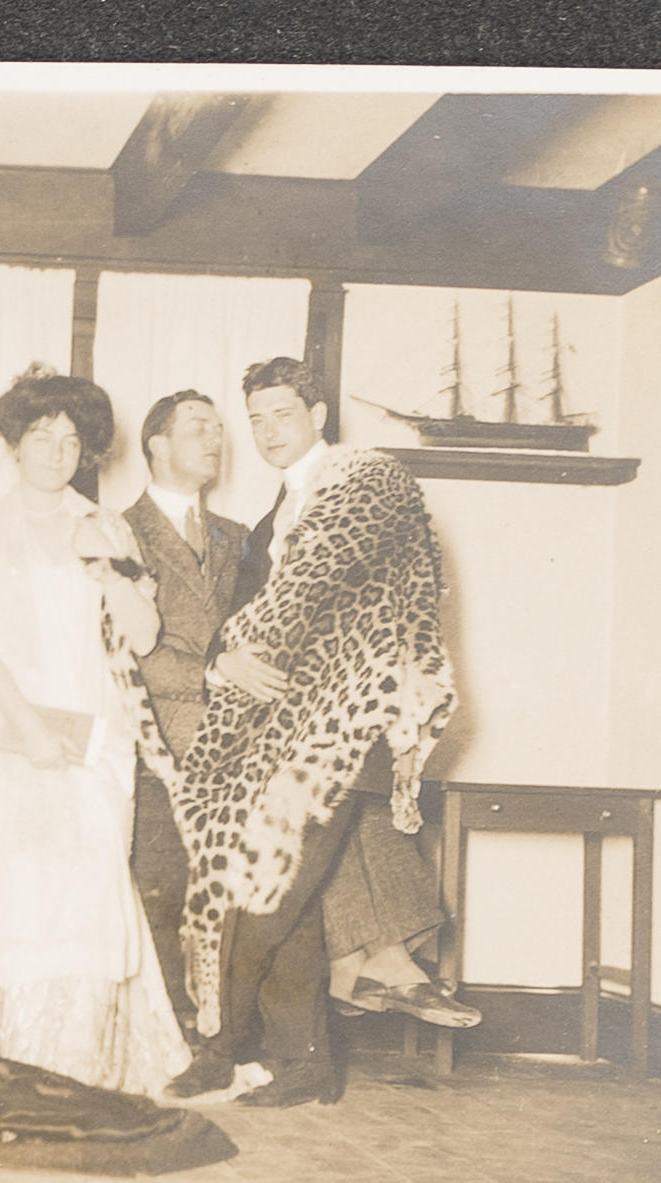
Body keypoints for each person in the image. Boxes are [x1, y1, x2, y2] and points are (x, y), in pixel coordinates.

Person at [167, 357, 465, 1107]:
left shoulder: (367, 486)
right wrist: (225, 657)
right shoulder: (270, 520)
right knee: (290, 906)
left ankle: (217, 1050)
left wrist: (251, 646)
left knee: (267, 893)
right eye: (257, 418)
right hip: (276, 736)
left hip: (343, 732)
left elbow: (312, 601)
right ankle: (306, 1066)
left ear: (318, 415)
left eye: (282, 415)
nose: (268, 430)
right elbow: (235, 627)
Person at [0, 366, 190, 1097]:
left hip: (95, 733)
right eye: (40, 435)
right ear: (14, 442)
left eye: (70, 438)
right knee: (19, 892)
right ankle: (22, 1063)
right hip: (11, 729)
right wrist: (27, 727)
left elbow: (141, 635)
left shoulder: (107, 526)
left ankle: (80, 1069)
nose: (55, 449)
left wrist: (111, 575)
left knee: (85, 892)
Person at [121, 390, 248, 1027]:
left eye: (219, 428)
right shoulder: (119, 532)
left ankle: (224, 1029)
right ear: (157, 446)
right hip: (157, 745)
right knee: (162, 886)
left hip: (242, 740)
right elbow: (120, 654)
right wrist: (212, 676)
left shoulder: (241, 538)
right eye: (197, 426)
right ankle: (170, 1028)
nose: (214, 438)